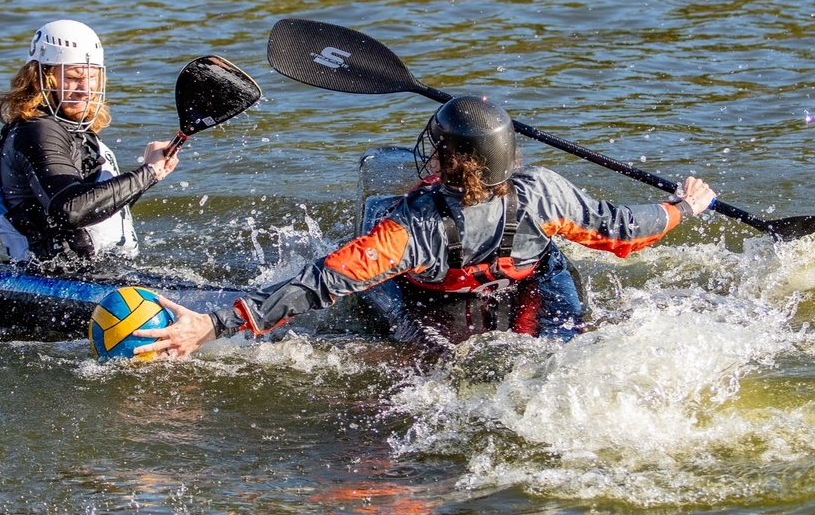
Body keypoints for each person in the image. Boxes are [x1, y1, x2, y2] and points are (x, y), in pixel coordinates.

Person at [137, 95, 717, 357]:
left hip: (432, 296)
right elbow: (621, 231)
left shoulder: (406, 228)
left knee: (373, 271)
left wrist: (213, 326)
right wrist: (682, 206)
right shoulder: (545, 193)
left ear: (445, 163)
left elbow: (319, 283)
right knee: (551, 274)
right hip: (521, 283)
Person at [0, 20, 179, 265]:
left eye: (92, 77)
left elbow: (97, 210)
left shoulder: (73, 129)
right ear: (41, 78)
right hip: (54, 281)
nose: (86, 89)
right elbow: (71, 209)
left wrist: (151, 173)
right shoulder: (37, 130)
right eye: (73, 77)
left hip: (98, 271)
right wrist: (147, 173)